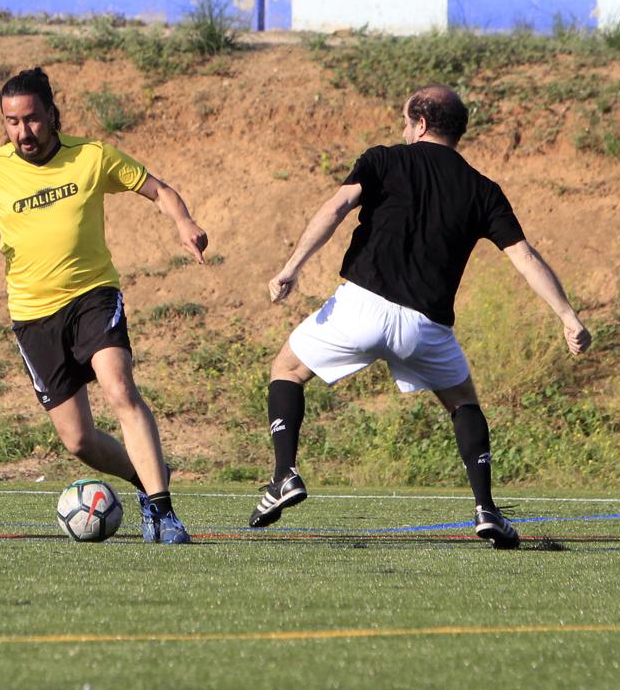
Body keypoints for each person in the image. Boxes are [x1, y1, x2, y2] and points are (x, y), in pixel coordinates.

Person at [251, 84, 591, 548]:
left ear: (422, 124)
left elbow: (336, 207)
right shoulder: (483, 189)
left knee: (286, 370)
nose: (402, 128)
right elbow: (525, 256)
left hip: (360, 307)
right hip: (425, 327)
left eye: (406, 120)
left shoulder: (385, 159)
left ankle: (283, 476)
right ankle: (487, 510)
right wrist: (567, 316)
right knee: (463, 403)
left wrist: (292, 268)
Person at [0, 68, 208, 544]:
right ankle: (148, 482)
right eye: (12, 122)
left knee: (120, 388)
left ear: (52, 115)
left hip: (92, 295)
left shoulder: (92, 156)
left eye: (33, 120)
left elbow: (158, 189)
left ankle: (164, 514)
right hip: (32, 315)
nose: (23, 132)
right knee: (79, 440)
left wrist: (184, 222)